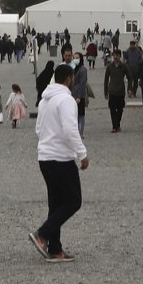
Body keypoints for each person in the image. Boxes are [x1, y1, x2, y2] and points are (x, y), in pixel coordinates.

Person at [28, 63, 87, 263]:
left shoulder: (45, 101)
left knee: (56, 204)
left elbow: (38, 129)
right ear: (69, 79)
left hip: (44, 157)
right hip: (61, 158)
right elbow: (71, 130)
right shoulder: (67, 100)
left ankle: (55, 249)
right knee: (73, 201)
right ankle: (42, 234)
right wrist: (82, 154)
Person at [103, 50, 127, 133]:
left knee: (120, 109)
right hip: (112, 91)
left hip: (121, 91)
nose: (115, 57)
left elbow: (130, 77)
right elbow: (106, 80)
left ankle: (118, 124)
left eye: (117, 55)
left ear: (120, 56)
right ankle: (114, 126)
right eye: (114, 55)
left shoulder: (124, 66)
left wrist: (130, 88)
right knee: (112, 109)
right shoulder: (110, 66)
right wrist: (105, 92)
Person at [70, 52, 90, 134]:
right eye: (74, 58)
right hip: (72, 94)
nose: (75, 59)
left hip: (79, 95)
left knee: (80, 114)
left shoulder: (82, 70)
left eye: (77, 58)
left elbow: (82, 83)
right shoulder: (72, 68)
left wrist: (79, 96)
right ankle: (76, 131)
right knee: (74, 114)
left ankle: (80, 132)